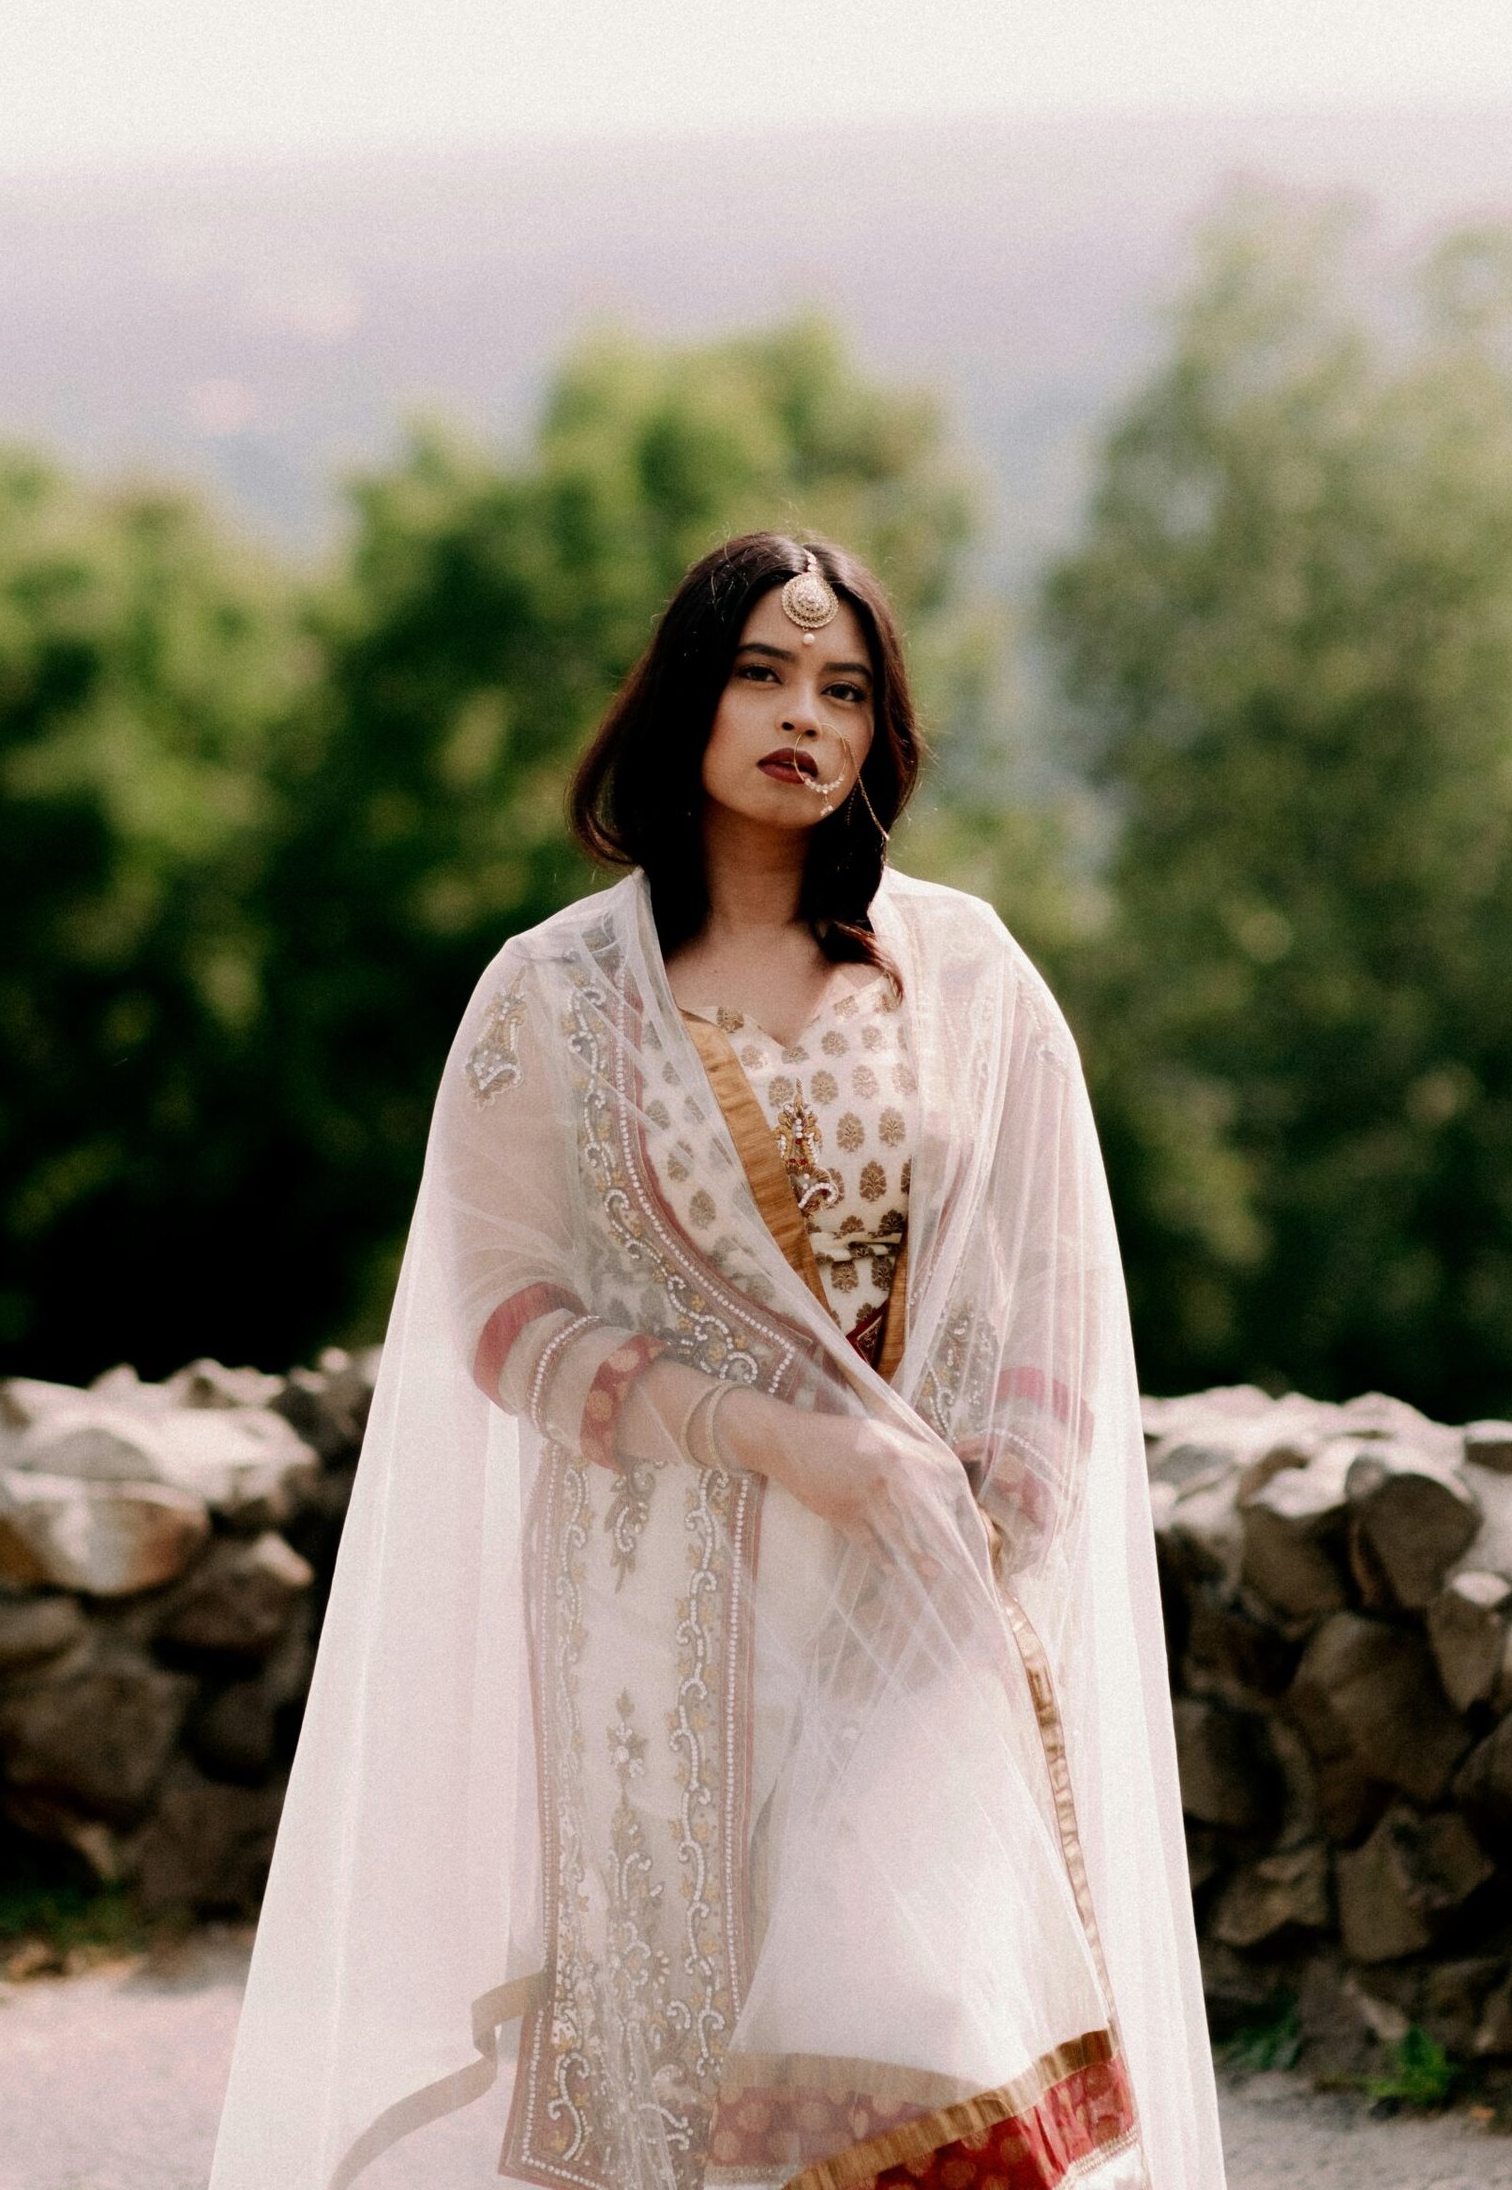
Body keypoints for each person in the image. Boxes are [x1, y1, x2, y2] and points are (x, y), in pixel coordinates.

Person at [207, 533, 1226, 2190]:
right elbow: (503, 1314)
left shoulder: (971, 981)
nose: (800, 715)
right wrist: (767, 1440)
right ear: (684, 695)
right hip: (655, 1620)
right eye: (761, 671)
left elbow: (1056, 1287)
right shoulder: (550, 1001)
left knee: (927, 2041)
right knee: (683, 2079)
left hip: (929, 1605)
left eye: (844, 687)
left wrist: (999, 1515)